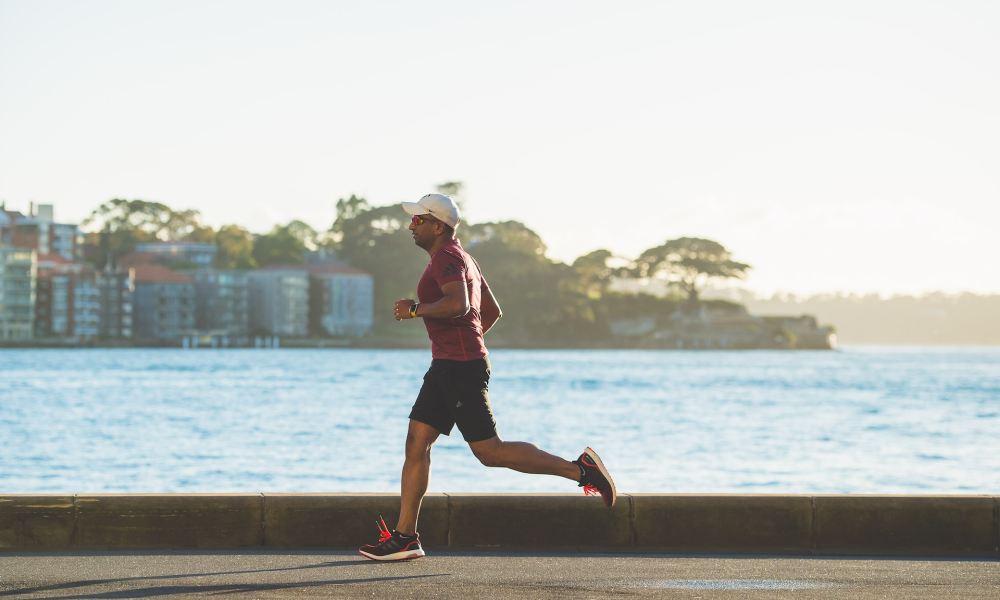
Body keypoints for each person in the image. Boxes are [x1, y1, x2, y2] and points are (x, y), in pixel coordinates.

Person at [358, 193, 616, 561]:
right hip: (452, 365)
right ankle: (405, 537)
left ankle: (581, 470)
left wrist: (416, 310)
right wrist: (466, 342)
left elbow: (460, 305)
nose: (411, 225)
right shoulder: (465, 258)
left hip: (457, 369)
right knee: (417, 443)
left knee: (490, 452)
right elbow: (490, 311)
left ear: (437, 225)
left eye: (417, 220)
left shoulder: (447, 257)